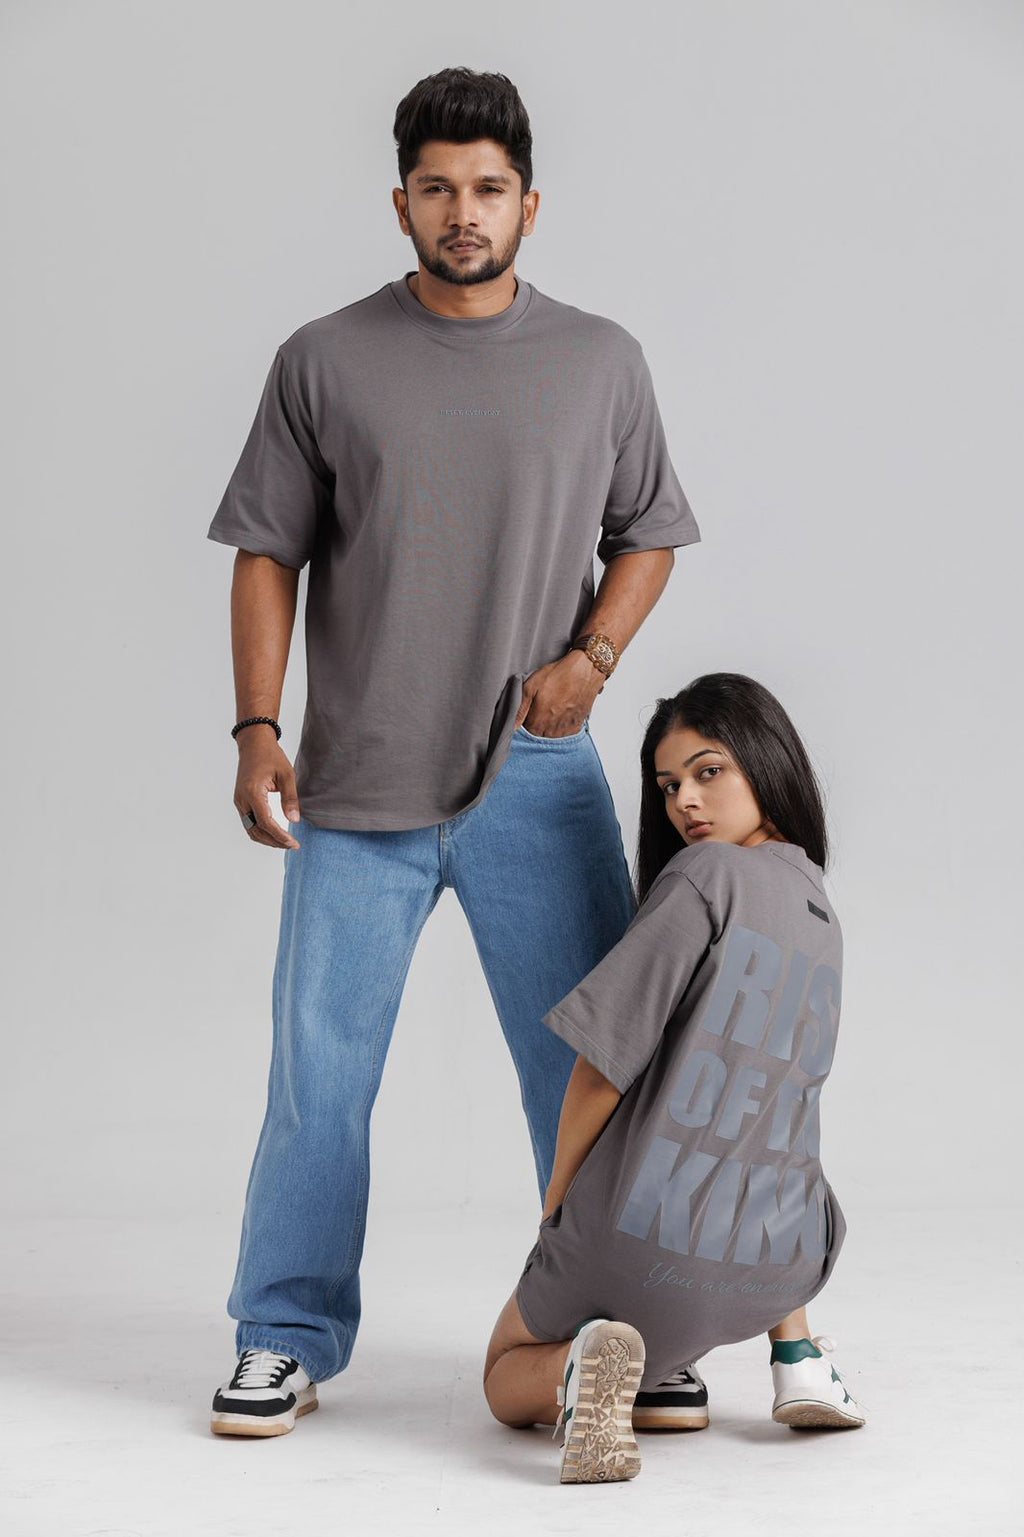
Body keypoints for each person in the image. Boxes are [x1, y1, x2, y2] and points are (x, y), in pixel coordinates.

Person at [204, 66, 703, 1436]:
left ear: (529, 203)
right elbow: (267, 553)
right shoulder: (324, 358)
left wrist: (592, 660)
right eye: (438, 187)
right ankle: (283, 1331)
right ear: (401, 199)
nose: (464, 211)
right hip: (355, 782)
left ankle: (625, 1325)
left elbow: (648, 528)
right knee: (321, 1078)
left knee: (591, 1070)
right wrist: (258, 730)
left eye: (487, 189)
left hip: (535, 785)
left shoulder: (600, 360)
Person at [484, 673, 866, 1485]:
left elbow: (599, 1068)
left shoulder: (701, 879)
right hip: (778, 1262)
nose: (684, 802)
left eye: (708, 770)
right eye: (667, 786)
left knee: (501, 1367)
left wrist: (559, 1205)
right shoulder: (817, 901)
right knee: (777, 1121)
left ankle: (580, 1369)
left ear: (766, 759)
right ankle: (798, 1355)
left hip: (640, 1254)